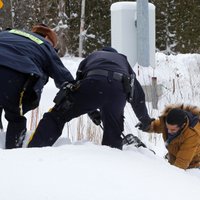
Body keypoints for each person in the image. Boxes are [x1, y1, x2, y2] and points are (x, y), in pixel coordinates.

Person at [28, 47, 153, 150]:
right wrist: (145, 120)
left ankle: (36, 149)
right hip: (117, 91)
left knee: (57, 116)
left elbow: (78, 87)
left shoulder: (93, 56)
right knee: (113, 132)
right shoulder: (123, 60)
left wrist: (92, 112)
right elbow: (138, 95)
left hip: (93, 82)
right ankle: (111, 164)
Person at [0, 24, 74, 149]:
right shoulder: (44, 45)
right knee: (15, 117)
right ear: (46, 37)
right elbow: (65, 79)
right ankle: (13, 155)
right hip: (14, 73)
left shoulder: (8, 33)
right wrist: (91, 109)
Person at [137, 104, 200, 169]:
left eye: (173, 130)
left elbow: (181, 164)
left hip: (191, 165)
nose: (169, 131)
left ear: (183, 126)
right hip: (173, 157)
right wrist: (147, 126)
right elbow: (157, 126)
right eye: (167, 128)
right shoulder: (168, 121)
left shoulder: (192, 135)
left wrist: (169, 175)